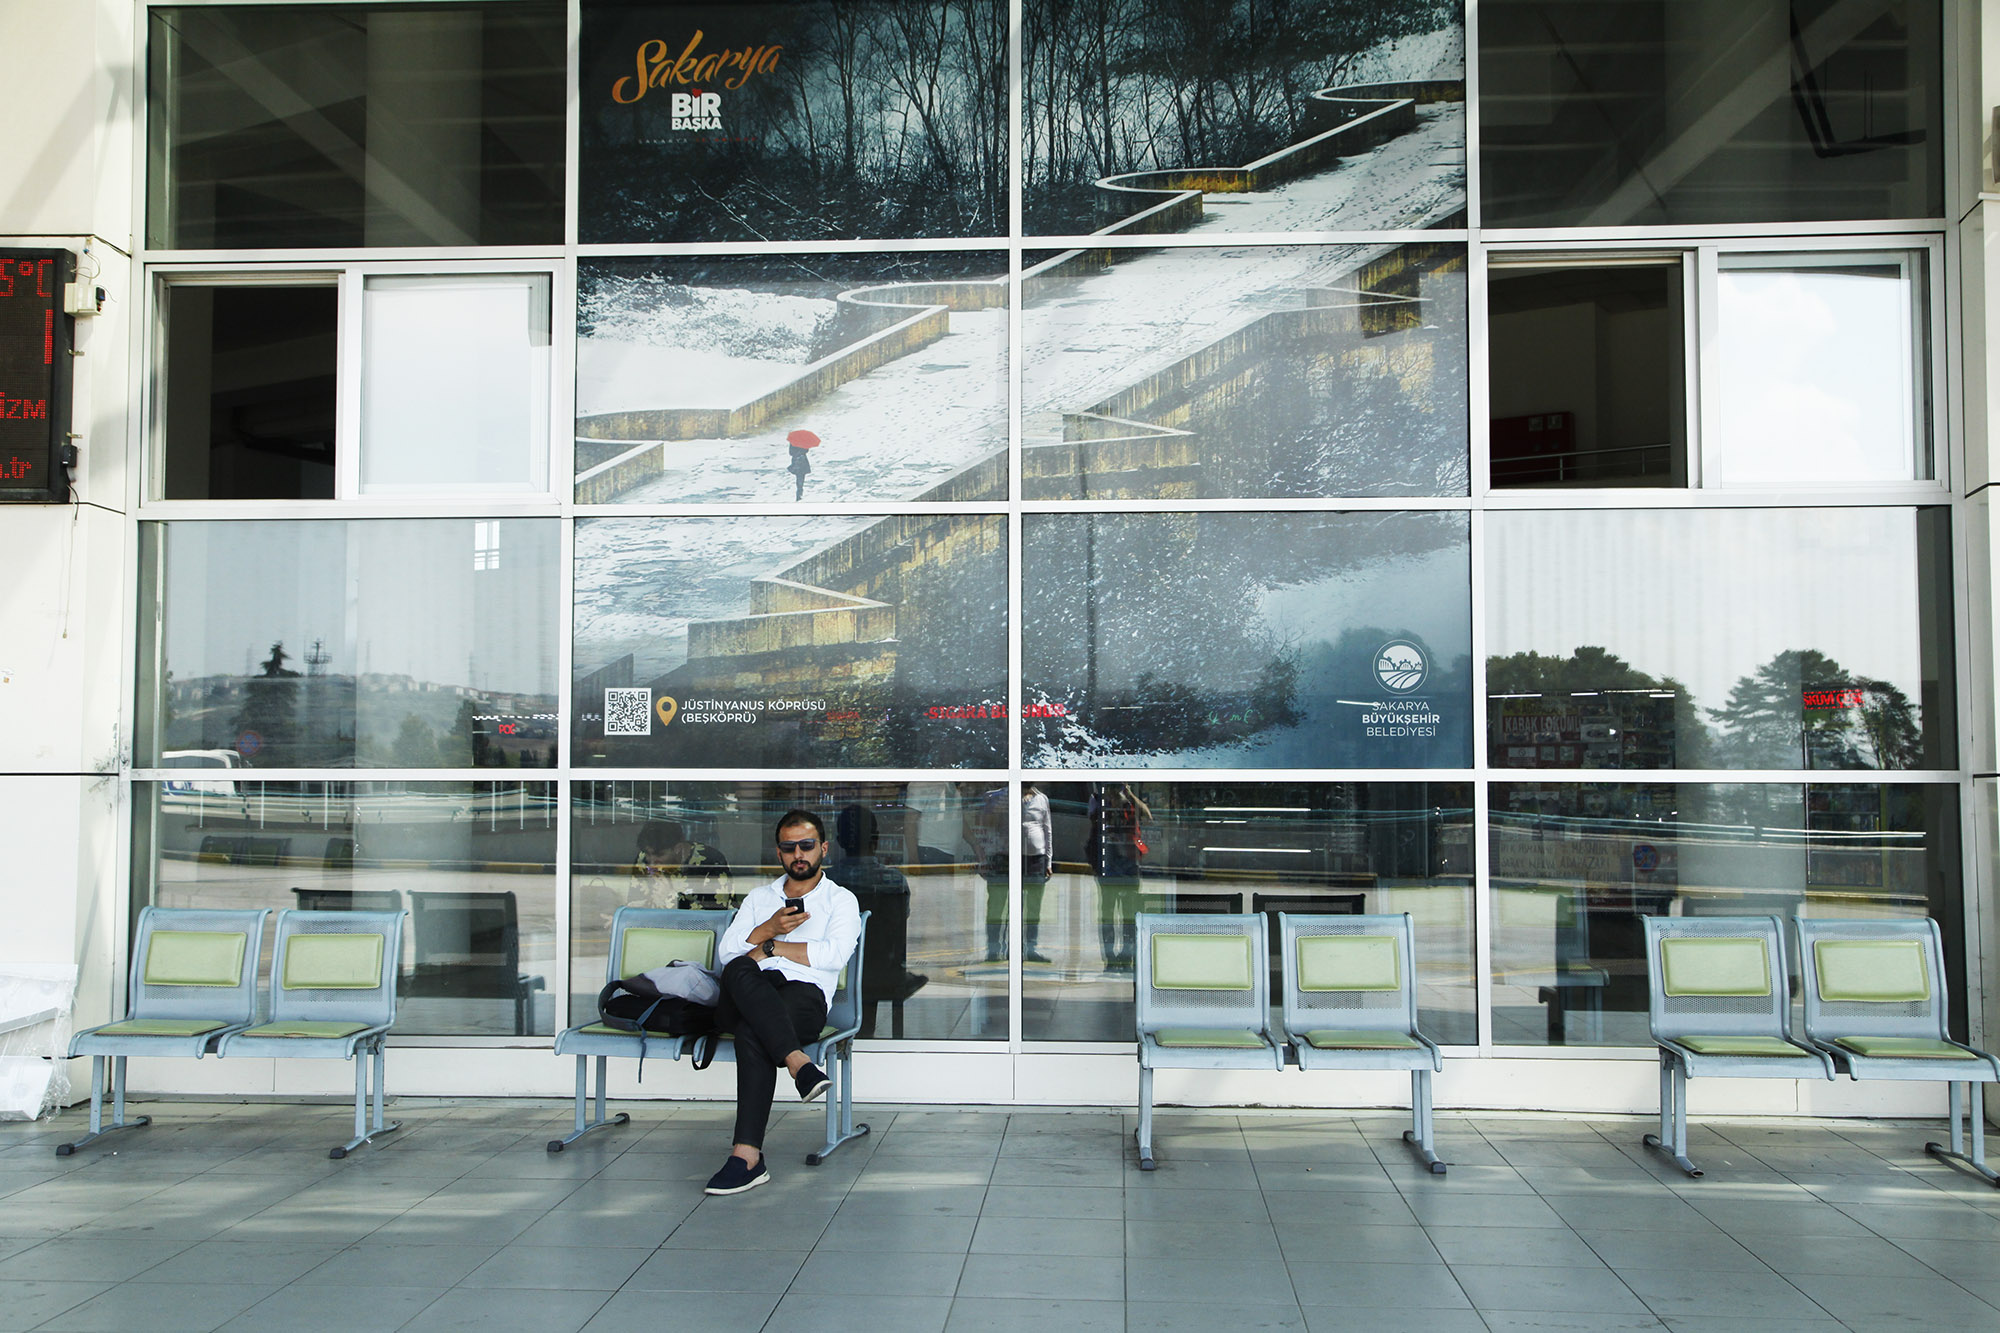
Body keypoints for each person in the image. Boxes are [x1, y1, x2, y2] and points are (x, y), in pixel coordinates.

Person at [702, 809, 860, 1196]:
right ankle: (800, 1064)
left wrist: (770, 946)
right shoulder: (760, 898)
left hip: (802, 997)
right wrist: (769, 928)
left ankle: (746, 1157)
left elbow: (833, 956)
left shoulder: (840, 900)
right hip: (749, 989)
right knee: (739, 970)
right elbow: (728, 955)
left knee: (751, 1030)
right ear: (779, 854)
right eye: (789, 848)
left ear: (823, 848)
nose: (799, 854)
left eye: (806, 845)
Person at [1088, 783, 1150, 970]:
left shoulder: (1130, 800)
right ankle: (1110, 958)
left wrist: (1128, 793)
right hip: (1108, 862)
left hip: (1129, 862)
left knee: (1129, 913)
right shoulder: (1098, 800)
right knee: (1107, 912)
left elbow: (1146, 815)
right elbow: (1093, 821)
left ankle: (1127, 957)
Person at [630, 820, 733, 911]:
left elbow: (716, 917)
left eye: (659, 855)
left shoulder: (711, 863)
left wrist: (671, 898)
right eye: (648, 854)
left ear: (678, 848)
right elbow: (634, 903)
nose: (652, 863)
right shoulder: (643, 859)